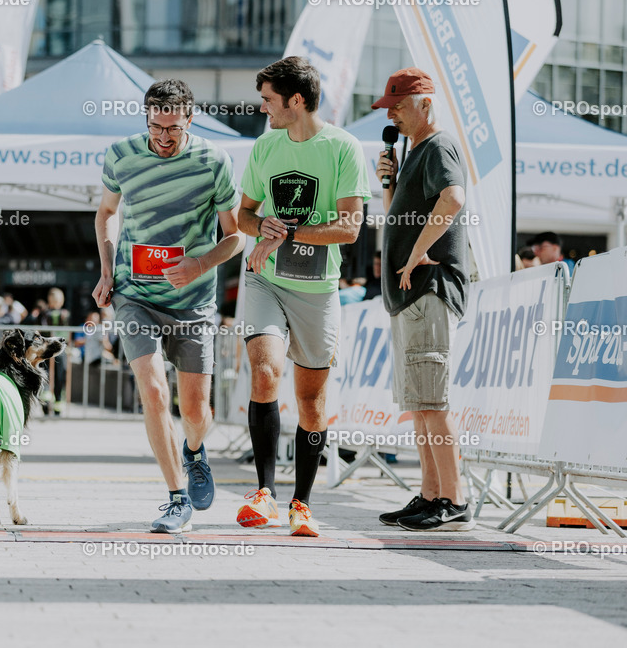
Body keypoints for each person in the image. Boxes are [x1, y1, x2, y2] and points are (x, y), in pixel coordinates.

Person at [93, 78, 245, 533]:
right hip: (134, 293)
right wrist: (105, 270)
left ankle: (194, 452)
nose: (163, 137)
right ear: (146, 118)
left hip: (194, 302)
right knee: (155, 391)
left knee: (197, 414)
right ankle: (176, 497)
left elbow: (236, 237)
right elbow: (105, 213)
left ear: (190, 120)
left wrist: (199, 264)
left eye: (173, 129)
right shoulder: (121, 154)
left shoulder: (214, 161)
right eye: (156, 126)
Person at [234, 57, 370, 535]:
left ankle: (302, 503)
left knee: (311, 403)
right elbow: (242, 217)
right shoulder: (266, 145)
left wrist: (286, 232)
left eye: (269, 100)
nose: (264, 108)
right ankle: (264, 492)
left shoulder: (344, 148)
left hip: (318, 290)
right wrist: (261, 227)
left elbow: (351, 229)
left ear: (296, 100)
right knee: (266, 370)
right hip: (265, 279)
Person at [373, 67, 475, 531]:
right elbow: (402, 213)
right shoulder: (417, 151)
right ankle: (432, 494)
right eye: (388, 107)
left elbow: (453, 198)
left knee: (431, 402)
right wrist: (389, 184)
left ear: (425, 104)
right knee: (421, 403)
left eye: (398, 104)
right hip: (411, 293)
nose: (391, 112)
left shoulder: (437, 145)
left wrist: (417, 253)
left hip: (428, 289)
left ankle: (452, 500)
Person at [38, 287, 71, 415]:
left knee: (46, 374)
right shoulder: (65, 314)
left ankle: (47, 403)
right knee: (59, 376)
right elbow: (67, 333)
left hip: (46, 349)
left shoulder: (44, 314)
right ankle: (58, 404)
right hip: (60, 350)